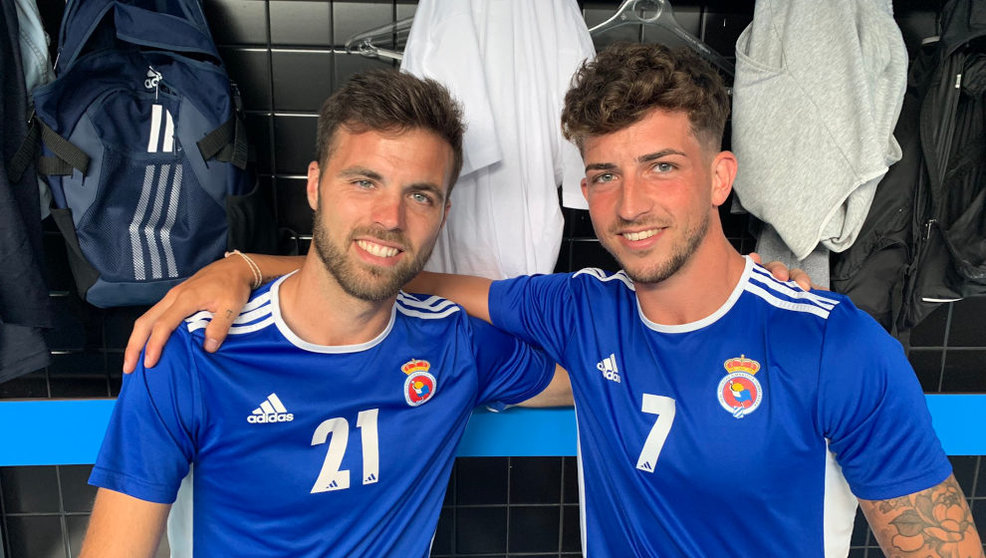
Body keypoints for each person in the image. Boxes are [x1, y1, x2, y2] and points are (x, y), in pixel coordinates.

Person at [121, 44, 959, 556]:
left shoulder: (834, 345)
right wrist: (247, 268)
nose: (631, 203)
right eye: (605, 174)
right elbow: (393, 267)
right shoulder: (582, 311)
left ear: (720, 177)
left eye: (662, 167)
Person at [79, 69, 571, 557]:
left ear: (443, 215)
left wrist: (250, 264)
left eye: (420, 196)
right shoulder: (193, 352)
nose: (390, 218)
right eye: (365, 182)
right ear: (314, 185)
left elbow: (587, 378)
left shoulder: (456, 344)